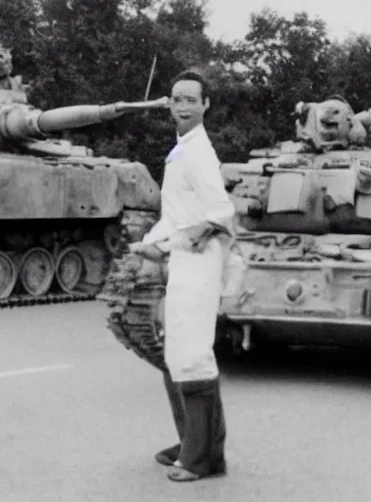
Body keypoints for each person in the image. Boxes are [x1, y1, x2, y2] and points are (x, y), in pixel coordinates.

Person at [128, 69, 235, 482]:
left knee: (191, 356)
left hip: (199, 261)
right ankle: (197, 441)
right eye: (177, 99)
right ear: (170, 105)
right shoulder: (181, 149)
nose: (184, 105)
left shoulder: (198, 152)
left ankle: (199, 459)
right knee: (177, 356)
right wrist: (148, 242)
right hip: (185, 262)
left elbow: (218, 214)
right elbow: (176, 215)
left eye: (192, 99)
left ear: (206, 105)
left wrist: (165, 246)